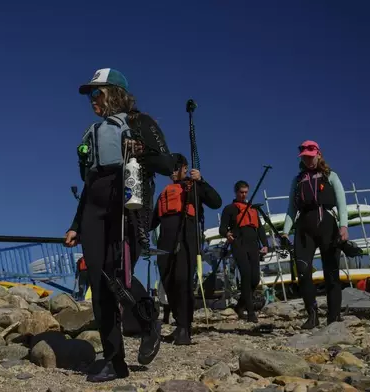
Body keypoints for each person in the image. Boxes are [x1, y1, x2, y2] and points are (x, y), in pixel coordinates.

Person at [64, 68, 176, 382]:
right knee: (98, 282)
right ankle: (115, 361)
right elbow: (88, 183)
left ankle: (147, 319)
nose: (92, 100)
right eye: (90, 94)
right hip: (93, 210)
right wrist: (75, 225)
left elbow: (167, 163)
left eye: (96, 93)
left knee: (118, 277)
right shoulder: (93, 132)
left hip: (129, 207)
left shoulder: (140, 122)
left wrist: (140, 150)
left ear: (115, 92)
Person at [151, 153, 222, 345]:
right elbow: (151, 221)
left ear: (185, 168)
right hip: (165, 243)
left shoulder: (194, 187)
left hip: (186, 238)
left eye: (177, 168)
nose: (173, 173)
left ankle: (184, 327)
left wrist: (202, 181)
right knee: (168, 282)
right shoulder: (164, 193)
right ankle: (179, 323)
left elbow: (216, 202)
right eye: (171, 169)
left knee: (183, 281)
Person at [281, 140, 348, 329]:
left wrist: (343, 227)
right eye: (305, 157)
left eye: (311, 156)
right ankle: (312, 315)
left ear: (318, 154)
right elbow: (291, 209)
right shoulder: (297, 180)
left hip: (328, 225)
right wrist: (285, 232)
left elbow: (342, 203)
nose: (309, 160)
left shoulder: (330, 176)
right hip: (304, 229)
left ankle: (333, 318)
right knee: (302, 271)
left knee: (331, 272)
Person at [219, 180, 269, 322]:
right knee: (246, 275)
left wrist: (265, 244)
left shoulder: (253, 208)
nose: (244, 195)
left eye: (246, 192)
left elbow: (259, 228)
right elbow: (222, 228)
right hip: (238, 244)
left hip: (253, 245)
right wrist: (227, 234)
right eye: (241, 192)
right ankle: (251, 312)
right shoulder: (229, 209)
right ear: (236, 192)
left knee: (255, 278)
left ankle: (240, 306)